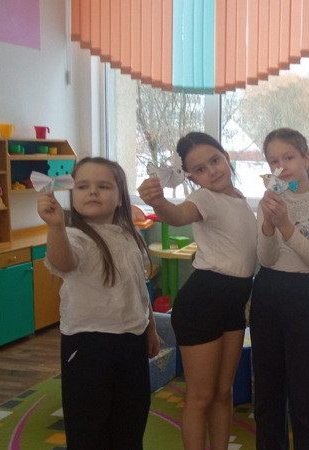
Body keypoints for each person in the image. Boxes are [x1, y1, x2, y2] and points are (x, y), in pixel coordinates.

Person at [138, 132, 257, 450]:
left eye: (215, 160)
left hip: (233, 304)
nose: (212, 171)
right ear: (191, 178)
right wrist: (159, 202)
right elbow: (177, 216)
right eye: (200, 169)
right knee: (201, 395)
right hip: (203, 302)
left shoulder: (240, 198)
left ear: (226, 157)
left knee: (223, 391)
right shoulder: (204, 199)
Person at [39, 157, 159, 449]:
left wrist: (151, 328)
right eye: (83, 186)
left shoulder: (129, 234)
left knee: (131, 417)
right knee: (88, 423)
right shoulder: (74, 236)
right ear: (72, 194)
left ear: (120, 198)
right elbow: (63, 263)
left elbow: (139, 288)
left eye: (103, 186)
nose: (92, 191)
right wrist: (55, 227)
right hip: (88, 342)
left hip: (131, 339)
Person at [250, 128, 309, 450]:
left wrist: (285, 224)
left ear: (306, 158)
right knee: (267, 390)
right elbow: (266, 259)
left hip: (302, 294)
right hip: (267, 290)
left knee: (305, 391)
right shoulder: (268, 202)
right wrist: (268, 222)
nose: (282, 166)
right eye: (274, 161)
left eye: (288, 157)